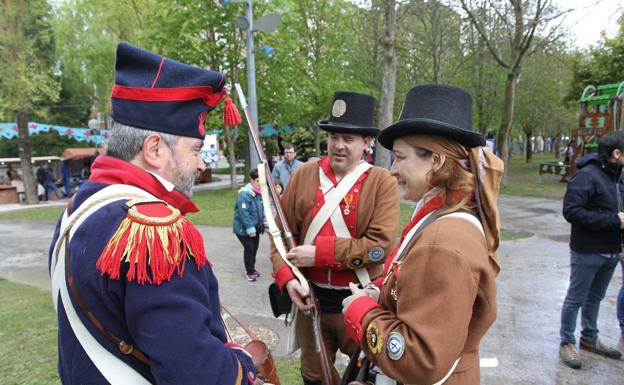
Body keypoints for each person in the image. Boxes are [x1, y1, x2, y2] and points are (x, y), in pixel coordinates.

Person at [48, 42, 257, 385]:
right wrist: (242, 363)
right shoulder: (155, 230)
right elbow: (199, 375)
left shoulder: (80, 207)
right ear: (155, 149)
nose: (201, 163)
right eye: (195, 149)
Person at [341, 84, 503, 385]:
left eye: (400, 158)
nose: (392, 169)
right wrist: (384, 293)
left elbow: (421, 360)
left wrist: (362, 313)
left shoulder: (444, 241)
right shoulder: (442, 216)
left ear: (437, 162)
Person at [269, 91, 400, 385]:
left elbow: (379, 248)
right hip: (311, 299)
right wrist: (287, 279)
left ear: (366, 143)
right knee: (314, 377)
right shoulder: (304, 175)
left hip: (361, 299)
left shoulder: (381, 183)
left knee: (365, 375)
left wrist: (319, 255)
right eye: (334, 137)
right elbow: (279, 235)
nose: (339, 146)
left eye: (349, 139)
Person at [559, 131, 624, 369]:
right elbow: (572, 212)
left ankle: (589, 338)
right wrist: (614, 220)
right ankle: (567, 341)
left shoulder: (617, 176)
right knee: (575, 298)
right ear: (617, 153)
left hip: (611, 250)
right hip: (588, 251)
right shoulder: (586, 176)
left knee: (595, 297)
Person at [233, 168, 266, 282]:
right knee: (249, 248)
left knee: (255, 248)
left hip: (256, 227)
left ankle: (252, 268)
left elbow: (261, 210)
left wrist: (262, 223)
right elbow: (243, 214)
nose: (260, 183)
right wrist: (249, 228)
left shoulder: (259, 193)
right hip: (243, 228)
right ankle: (249, 272)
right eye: (257, 180)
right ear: (251, 180)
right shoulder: (245, 194)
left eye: (262, 181)